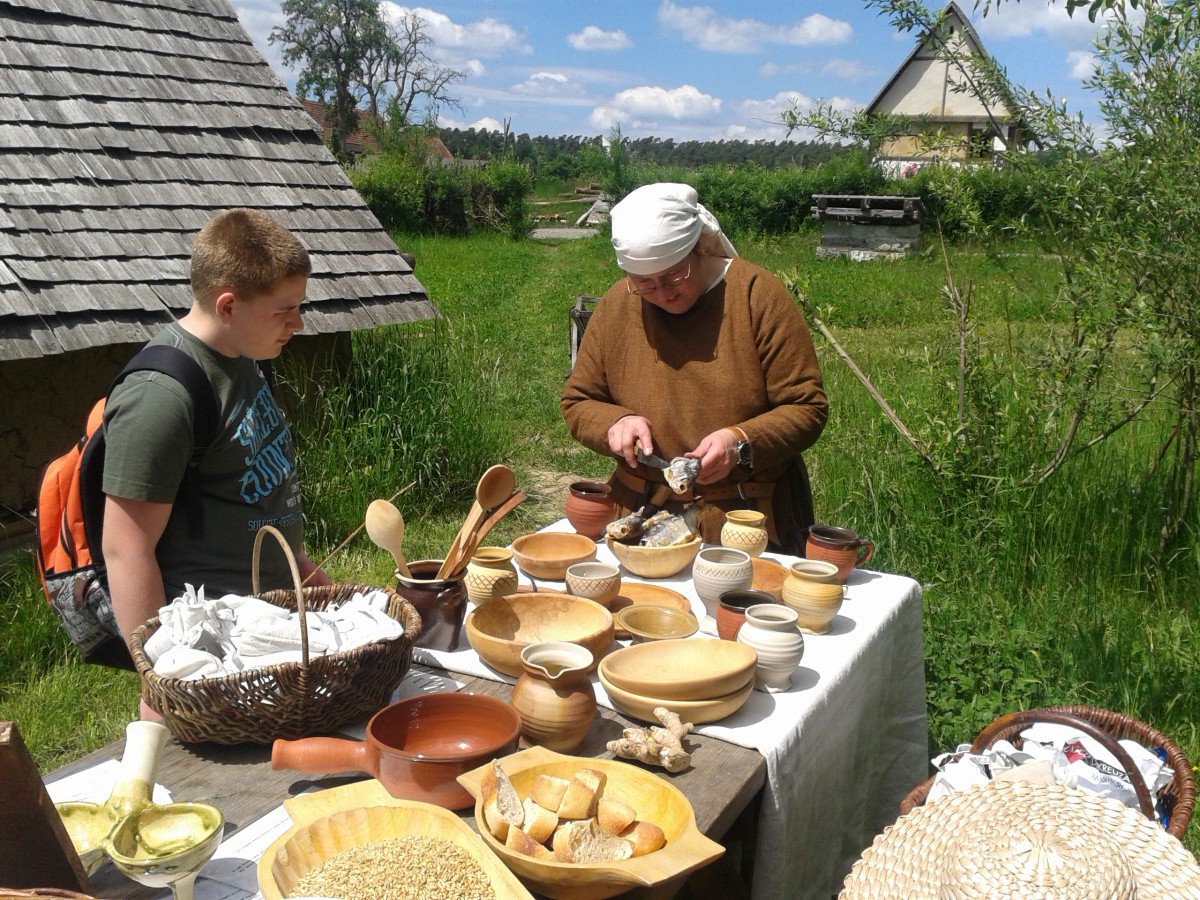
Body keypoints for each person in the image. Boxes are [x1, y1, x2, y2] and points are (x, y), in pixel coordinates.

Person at [101, 208, 332, 716]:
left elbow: (252, 490)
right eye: (286, 310)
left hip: (272, 636)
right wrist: (163, 680)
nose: (298, 323)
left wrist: (307, 575)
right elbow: (126, 549)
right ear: (228, 306)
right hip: (214, 660)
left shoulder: (246, 357)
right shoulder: (161, 396)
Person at [561, 183, 828, 554]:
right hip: (638, 517)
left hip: (745, 522)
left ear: (700, 248)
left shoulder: (755, 295)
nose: (663, 293)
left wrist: (740, 442)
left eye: (673, 275)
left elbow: (806, 408)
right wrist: (614, 424)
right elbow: (579, 400)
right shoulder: (617, 305)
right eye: (644, 283)